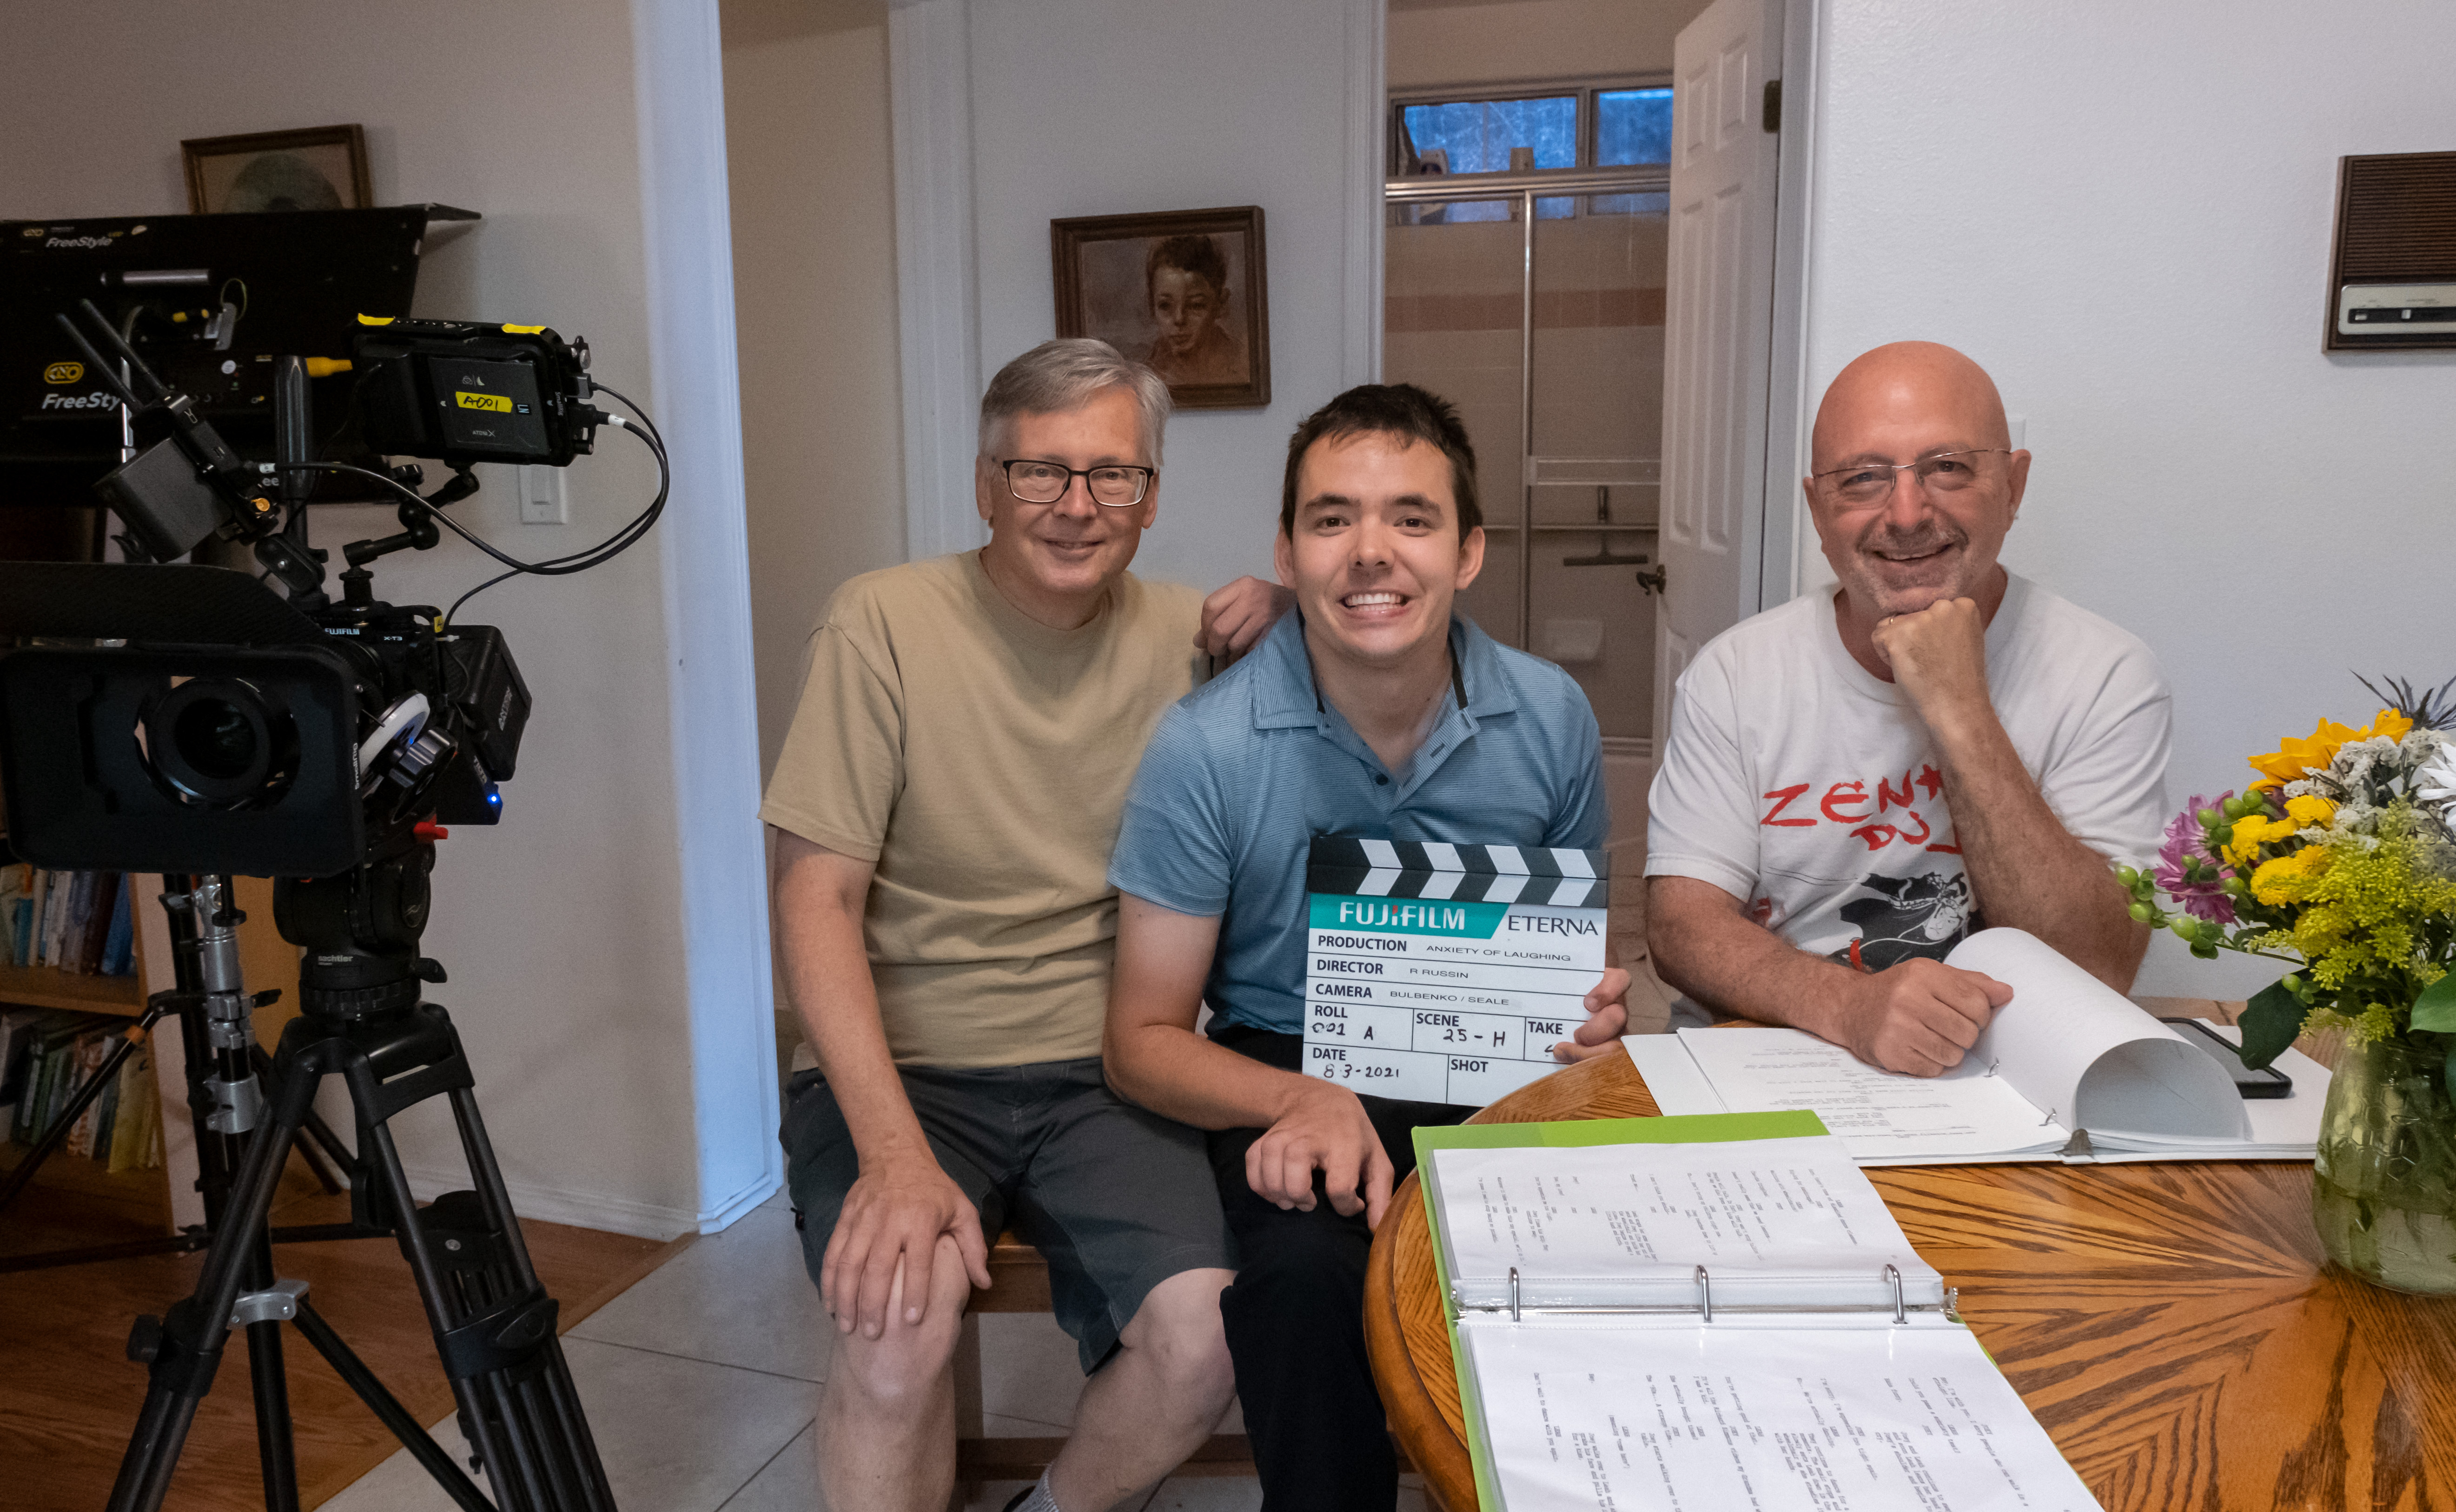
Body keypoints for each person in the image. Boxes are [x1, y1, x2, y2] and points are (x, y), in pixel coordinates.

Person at [761, 338, 1288, 1512]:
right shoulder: (879, 623)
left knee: (1205, 1338)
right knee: (898, 1326)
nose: (1076, 504)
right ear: (987, 483)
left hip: (1106, 1070)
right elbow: (813, 895)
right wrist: (892, 1154)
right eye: (1041, 470)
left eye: (1112, 475)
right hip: (908, 1069)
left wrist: (1298, 598)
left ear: (1151, 498)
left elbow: (1376, 644)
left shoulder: (1191, 639)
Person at [1101, 383, 1633, 1511]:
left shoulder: (1549, 718)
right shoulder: (1206, 746)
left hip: (1490, 1063)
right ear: (1287, 553)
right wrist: (1296, 1099)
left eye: (1412, 516)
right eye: (1332, 518)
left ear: (1469, 549)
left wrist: (1586, 1018)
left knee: (1589, 1257)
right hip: (1285, 1054)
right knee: (1298, 1284)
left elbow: (1577, 955)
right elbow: (1142, 1040)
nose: (1370, 552)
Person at [1644, 340, 2171, 1076]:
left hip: (2008, 1074)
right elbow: (1680, 927)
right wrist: (1848, 1008)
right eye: (1861, 480)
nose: (1905, 513)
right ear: (1816, 511)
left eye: (1946, 468)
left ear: (2013, 487)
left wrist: (1959, 709)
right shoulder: (1736, 673)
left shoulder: (2106, 674)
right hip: (1767, 1054)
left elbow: (2094, 968)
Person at [1141, 234, 1244, 387]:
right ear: (1152, 306)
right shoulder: (1146, 374)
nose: (1179, 319)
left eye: (1196, 306)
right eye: (1165, 306)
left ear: (1220, 305)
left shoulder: (1240, 362)